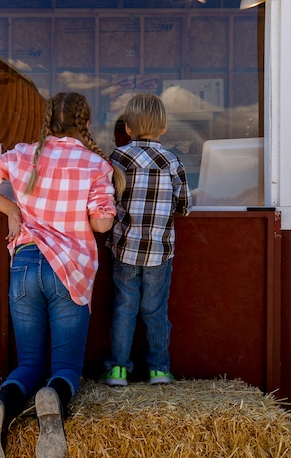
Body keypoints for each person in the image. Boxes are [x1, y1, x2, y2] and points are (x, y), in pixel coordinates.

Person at [0, 92, 124, 458]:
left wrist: (12, 208)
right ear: (85, 124)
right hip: (68, 271)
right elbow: (101, 223)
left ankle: (2, 401)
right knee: (64, 367)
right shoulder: (95, 164)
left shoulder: (23, 154)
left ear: (48, 121)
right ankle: (54, 397)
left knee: (30, 362)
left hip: (26, 264)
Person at [102, 93, 192, 387]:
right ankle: (158, 370)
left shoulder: (117, 158)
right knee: (156, 312)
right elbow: (185, 205)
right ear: (164, 127)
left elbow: (106, 200)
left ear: (127, 128)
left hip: (124, 249)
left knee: (124, 309)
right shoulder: (171, 161)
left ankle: (118, 370)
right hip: (159, 251)